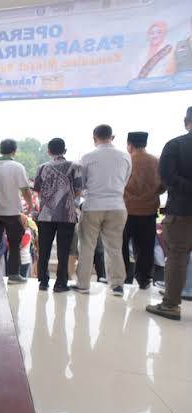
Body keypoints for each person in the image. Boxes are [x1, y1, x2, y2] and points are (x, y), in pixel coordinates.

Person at [71, 125, 132, 296]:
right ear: (112, 137)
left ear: (94, 137)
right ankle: (117, 285)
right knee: (114, 246)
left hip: (93, 205)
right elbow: (125, 180)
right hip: (117, 206)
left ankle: (83, 284)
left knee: (86, 246)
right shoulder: (125, 156)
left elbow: (81, 184)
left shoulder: (88, 157)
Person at [147, 107, 192, 321]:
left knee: (177, 256)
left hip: (181, 211)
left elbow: (166, 178)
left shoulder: (175, 146)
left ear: (186, 121)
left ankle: (171, 305)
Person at [33, 138, 83, 292]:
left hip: (45, 216)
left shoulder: (42, 168)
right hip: (66, 215)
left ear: (49, 151)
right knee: (64, 250)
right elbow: (79, 191)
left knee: (45, 248)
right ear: (65, 150)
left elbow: (38, 189)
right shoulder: (75, 166)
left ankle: (43, 281)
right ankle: (61, 283)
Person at [122, 132, 164, 290]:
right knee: (146, 248)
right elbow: (163, 186)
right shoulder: (156, 161)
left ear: (130, 144)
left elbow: (120, 182)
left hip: (127, 210)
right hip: (149, 210)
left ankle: (123, 276)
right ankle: (144, 279)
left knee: (122, 245)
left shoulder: (127, 160)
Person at [0, 139, 34, 284]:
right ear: (14, 151)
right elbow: (25, 189)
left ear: (0, 150)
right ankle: (13, 275)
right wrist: (30, 204)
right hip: (13, 212)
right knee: (14, 245)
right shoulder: (17, 167)